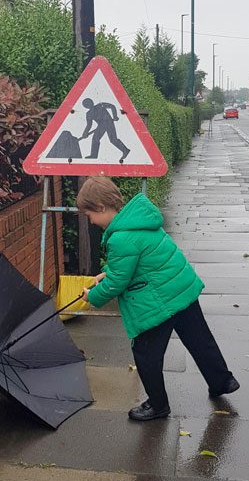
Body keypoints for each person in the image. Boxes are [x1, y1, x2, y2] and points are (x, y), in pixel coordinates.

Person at [78, 176, 239, 421]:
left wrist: (92, 296)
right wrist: (108, 271)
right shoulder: (139, 222)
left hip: (159, 303)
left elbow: (118, 282)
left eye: (89, 214)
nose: (90, 220)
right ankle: (222, 381)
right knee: (200, 340)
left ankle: (158, 405)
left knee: (146, 354)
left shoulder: (120, 238)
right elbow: (141, 262)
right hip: (181, 290)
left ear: (100, 207)